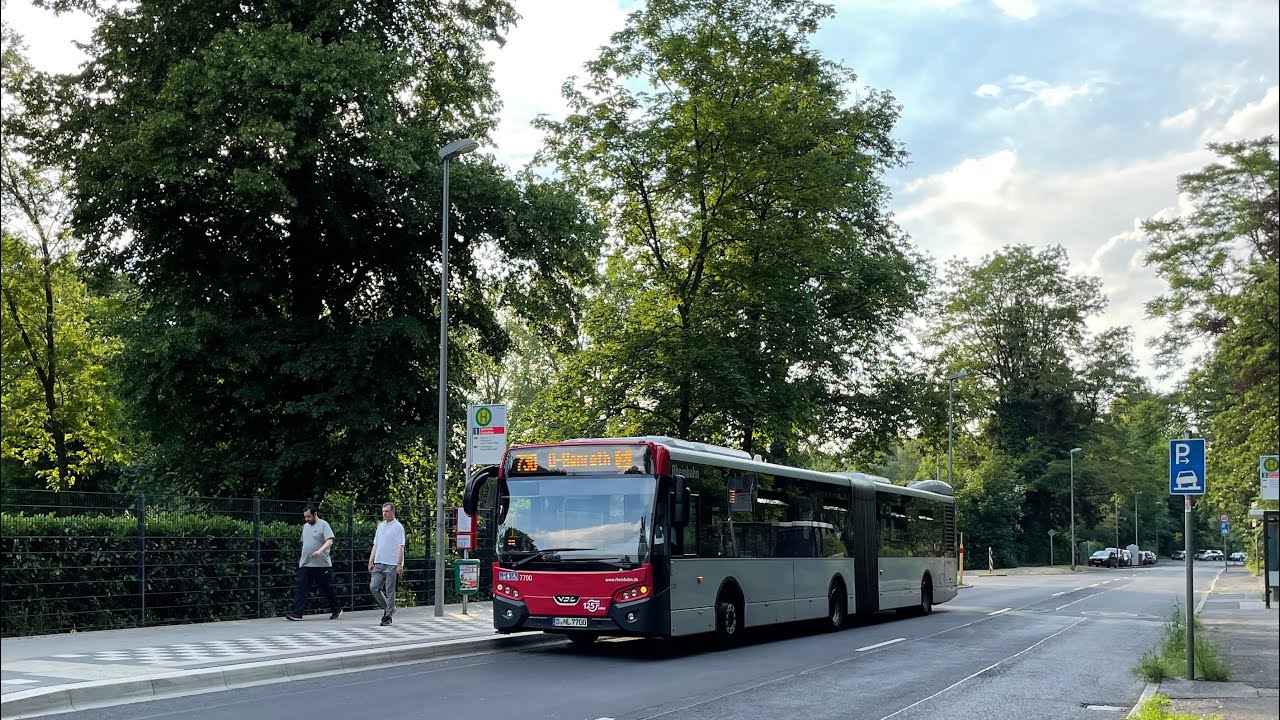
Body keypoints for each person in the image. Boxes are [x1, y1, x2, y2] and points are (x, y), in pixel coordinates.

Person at [286, 505, 343, 621]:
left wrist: (320, 551)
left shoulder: (323, 524)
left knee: (327, 588)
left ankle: (336, 609)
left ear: (315, 514)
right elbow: (306, 543)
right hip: (306, 564)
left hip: (322, 564)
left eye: (308, 516)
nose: (307, 519)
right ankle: (297, 613)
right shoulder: (305, 527)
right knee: (302, 587)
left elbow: (330, 540)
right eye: (305, 517)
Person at [368, 501, 405, 626]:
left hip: (391, 563)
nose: (384, 514)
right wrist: (371, 560)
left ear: (393, 512)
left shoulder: (398, 527)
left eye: (387, 511)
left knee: (390, 591)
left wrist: (399, 564)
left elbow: (400, 546)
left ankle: (387, 616)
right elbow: (376, 544)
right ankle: (389, 608)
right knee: (374, 587)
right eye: (383, 511)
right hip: (379, 562)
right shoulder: (380, 526)